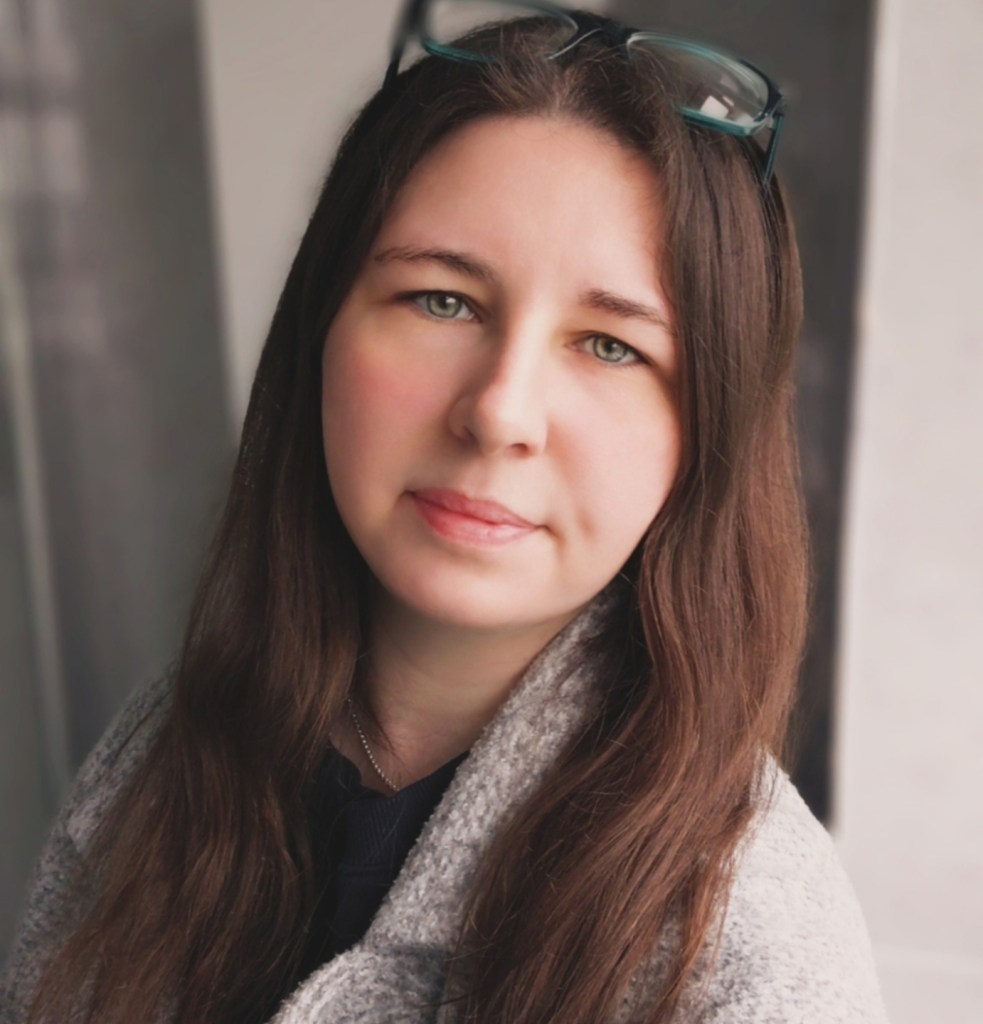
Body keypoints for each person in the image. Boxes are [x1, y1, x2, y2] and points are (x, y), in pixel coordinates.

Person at [1, 3, 889, 1022]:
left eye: (610, 346)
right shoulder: (166, 749)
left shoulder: (748, 954)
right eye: (442, 301)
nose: (500, 411)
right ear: (320, 330)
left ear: (708, 434)